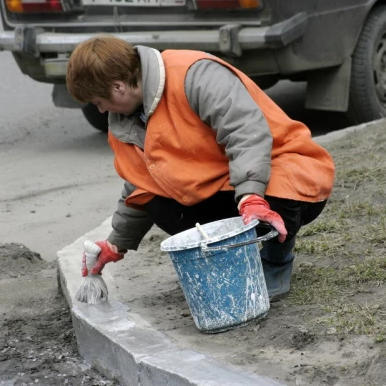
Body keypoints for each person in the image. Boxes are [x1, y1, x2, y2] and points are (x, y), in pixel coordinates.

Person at [67, 35, 335, 301]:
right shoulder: (124, 120)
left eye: (97, 102)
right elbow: (141, 181)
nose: (100, 111)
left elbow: (246, 134)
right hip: (226, 184)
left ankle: (275, 259)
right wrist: (115, 243)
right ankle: (236, 257)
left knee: (277, 190)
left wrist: (251, 197)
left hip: (280, 166)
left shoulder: (194, 75)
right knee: (156, 201)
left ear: (118, 87)